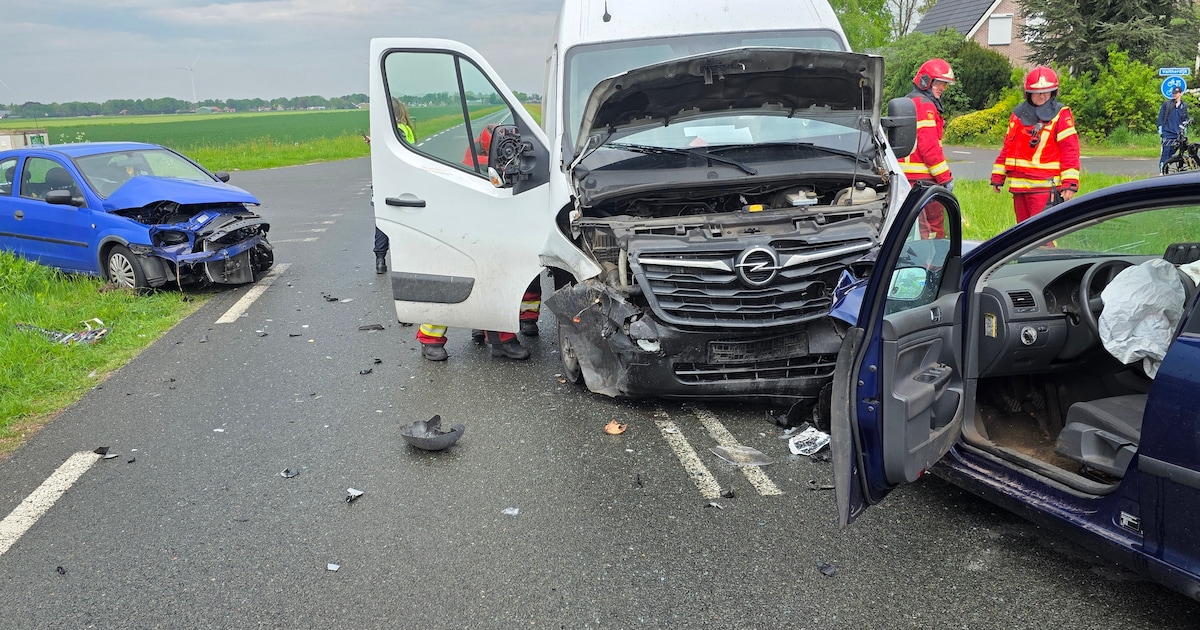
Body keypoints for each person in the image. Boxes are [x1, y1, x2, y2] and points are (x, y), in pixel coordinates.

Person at [416, 123, 539, 361]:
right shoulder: (472, 165)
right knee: (452, 282)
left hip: (492, 232)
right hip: (464, 231)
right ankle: (430, 339)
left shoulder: (510, 164)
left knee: (499, 282)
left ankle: (498, 338)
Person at [991, 66, 1080, 223]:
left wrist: (1069, 184)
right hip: (1019, 188)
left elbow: (1070, 150)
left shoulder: (1061, 114)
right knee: (1023, 237)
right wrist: (998, 176)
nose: (1042, 96)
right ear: (1028, 93)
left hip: (1045, 189)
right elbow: (1008, 147)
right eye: (1038, 92)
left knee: (1043, 238)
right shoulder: (1018, 115)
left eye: (1047, 91)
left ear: (1053, 92)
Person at [899, 58, 956, 239]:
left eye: (945, 84)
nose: (942, 88)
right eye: (939, 83)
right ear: (925, 81)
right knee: (933, 231)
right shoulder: (925, 105)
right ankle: (934, 265)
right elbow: (929, 147)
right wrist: (945, 178)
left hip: (908, 180)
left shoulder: (908, 102)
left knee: (913, 230)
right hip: (925, 180)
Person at [371, 99, 417, 273]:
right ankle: (407, 259)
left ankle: (380, 259)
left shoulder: (393, 131)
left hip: (386, 181)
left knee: (382, 222)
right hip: (404, 181)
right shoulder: (406, 129)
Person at [1158, 85, 1189, 174]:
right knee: (1165, 152)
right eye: (1173, 93)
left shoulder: (1184, 106)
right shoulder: (1167, 104)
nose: (1174, 95)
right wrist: (1160, 128)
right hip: (1167, 132)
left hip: (1178, 133)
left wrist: (1184, 127)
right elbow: (1161, 117)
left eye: (1176, 93)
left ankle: (1168, 168)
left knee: (1173, 152)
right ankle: (1162, 171)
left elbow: (1185, 119)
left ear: (1180, 93)